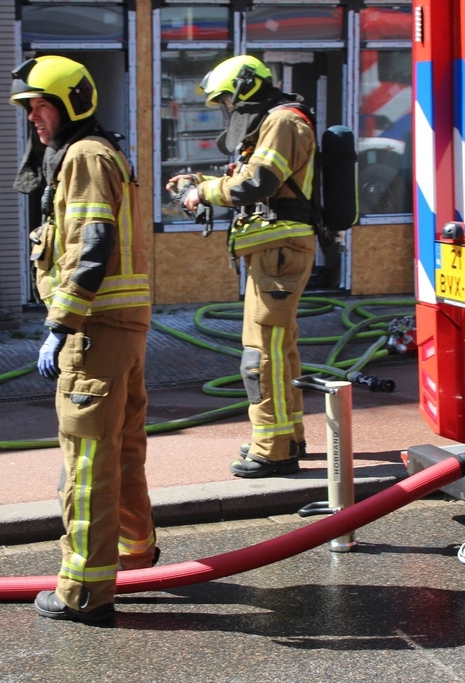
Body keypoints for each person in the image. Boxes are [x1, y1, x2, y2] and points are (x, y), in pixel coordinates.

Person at [9, 55, 156, 624]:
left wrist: (59, 324)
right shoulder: (99, 152)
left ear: (69, 103)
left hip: (93, 332)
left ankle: (85, 591)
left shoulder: (84, 157)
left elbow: (91, 245)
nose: (32, 119)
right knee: (121, 450)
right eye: (27, 108)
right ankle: (134, 554)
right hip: (115, 327)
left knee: (87, 459)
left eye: (39, 106)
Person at [167, 55, 316, 479]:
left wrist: (204, 192)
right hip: (274, 252)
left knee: (260, 353)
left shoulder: (282, 122)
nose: (227, 109)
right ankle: (287, 435)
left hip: (280, 252)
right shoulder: (273, 123)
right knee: (278, 349)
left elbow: (258, 183)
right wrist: (199, 183)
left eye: (228, 100)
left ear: (246, 89)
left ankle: (273, 450)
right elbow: (252, 174)